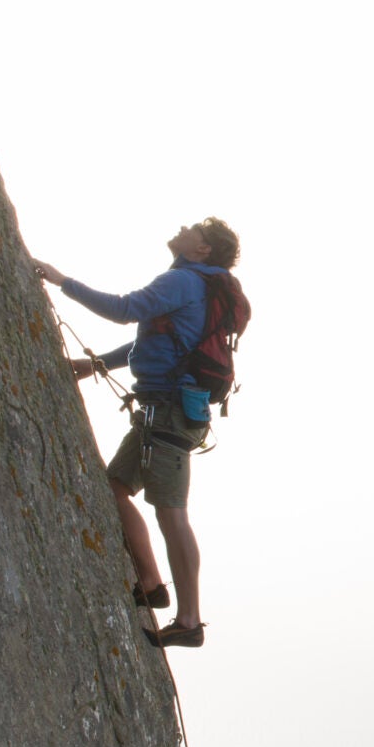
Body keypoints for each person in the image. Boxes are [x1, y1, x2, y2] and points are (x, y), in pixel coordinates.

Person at [28, 218, 241, 648]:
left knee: (171, 512)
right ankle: (151, 581)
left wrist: (60, 279)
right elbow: (156, 343)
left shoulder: (183, 280)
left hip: (169, 415)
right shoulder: (195, 284)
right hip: (161, 413)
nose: (185, 227)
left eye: (196, 228)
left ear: (202, 250)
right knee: (114, 487)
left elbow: (124, 311)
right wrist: (97, 364)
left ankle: (190, 620)